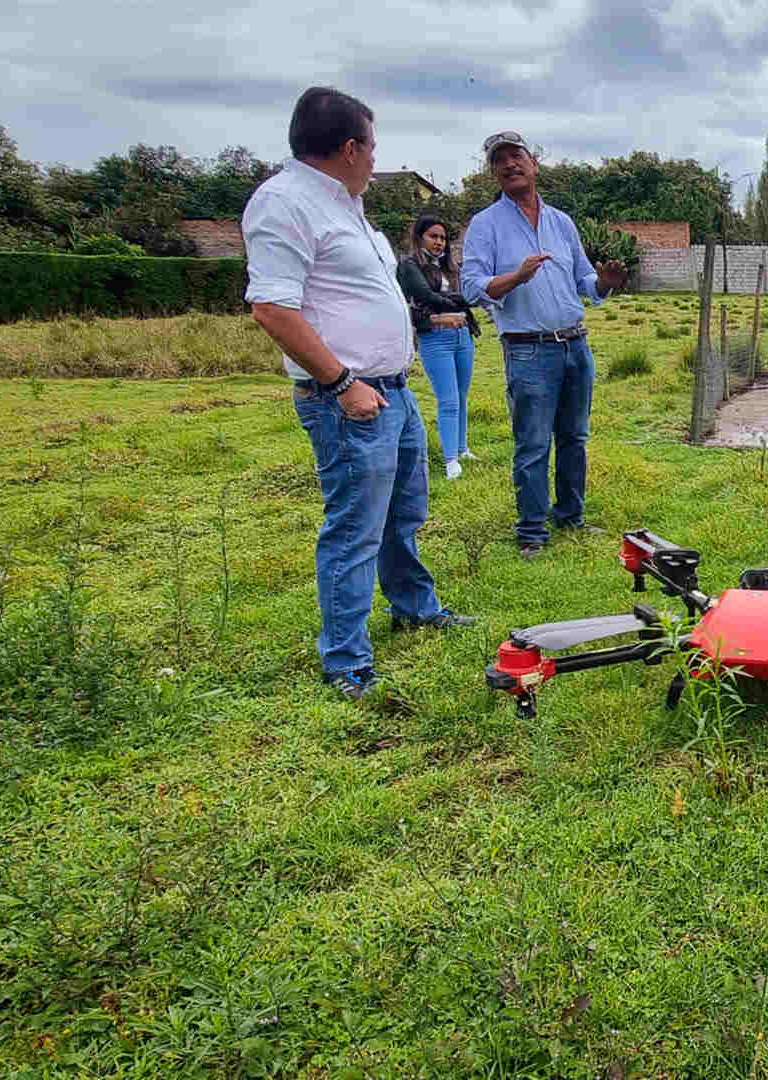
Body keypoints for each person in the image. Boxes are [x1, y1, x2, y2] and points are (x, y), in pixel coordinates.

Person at [243, 86, 474, 700]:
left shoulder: (347, 207)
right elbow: (270, 307)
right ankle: (346, 659)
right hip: (348, 400)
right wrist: (342, 382)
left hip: (392, 394)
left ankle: (415, 607)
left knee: (404, 514)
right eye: (372, 146)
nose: (375, 157)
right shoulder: (285, 204)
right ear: (349, 147)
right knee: (354, 528)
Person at [461, 131, 629, 558]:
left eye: (516, 156)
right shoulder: (485, 225)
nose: (509, 164)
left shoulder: (561, 222)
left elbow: (583, 282)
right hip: (528, 349)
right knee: (533, 443)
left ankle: (570, 516)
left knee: (574, 437)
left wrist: (605, 284)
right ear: (494, 173)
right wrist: (515, 277)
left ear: (534, 163)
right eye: (500, 161)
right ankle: (532, 532)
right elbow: (470, 286)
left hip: (576, 345)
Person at [398, 216, 480, 480]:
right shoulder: (410, 266)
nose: (438, 242)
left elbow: (458, 297)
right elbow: (426, 297)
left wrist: (458, 302)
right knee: (448, 400)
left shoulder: (447, 267)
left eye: (442, 238)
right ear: (420, 237)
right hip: (435, 337)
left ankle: (462, 448)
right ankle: (450, 460)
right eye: (433, 236)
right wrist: (459, 301)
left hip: (462, 335)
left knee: (462, 395)